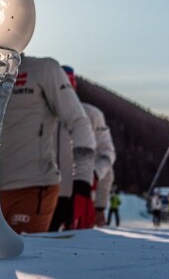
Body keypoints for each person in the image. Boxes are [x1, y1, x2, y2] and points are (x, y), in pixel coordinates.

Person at [0, 56, 96, 234]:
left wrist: (83, 183)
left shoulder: (42, 69)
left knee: (23, 251)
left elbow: (79, 123)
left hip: (33, 188)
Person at [48, 65, 115, 231]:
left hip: (78, 193)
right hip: (45, 194)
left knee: (75, 242)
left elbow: (107, 154)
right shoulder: (41, 116)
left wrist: (93, 175)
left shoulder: (91, 114)